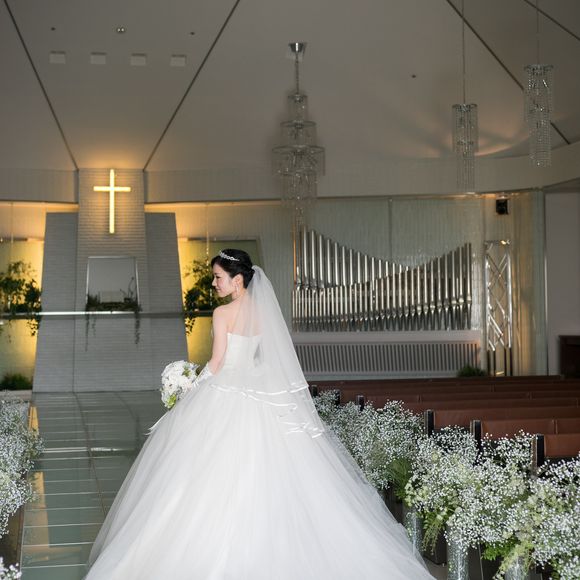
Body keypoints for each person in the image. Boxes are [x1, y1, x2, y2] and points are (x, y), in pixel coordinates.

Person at [85, 249, 434, 579]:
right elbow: (265, 357)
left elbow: (217, 363)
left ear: (237, 280)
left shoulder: (222, 313)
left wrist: (191, 386)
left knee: (202, 471)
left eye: (218, 277)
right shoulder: (265, 312)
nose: (214, 283)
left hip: (226, 389)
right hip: (259, 387)